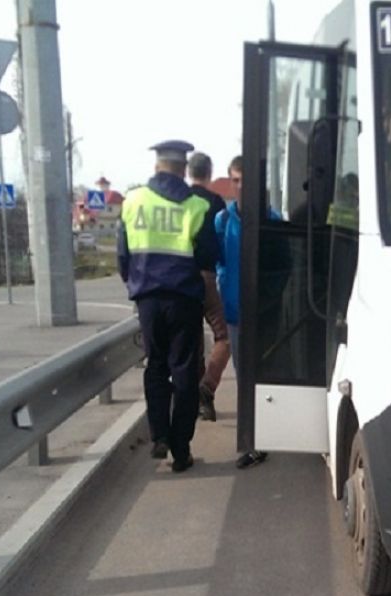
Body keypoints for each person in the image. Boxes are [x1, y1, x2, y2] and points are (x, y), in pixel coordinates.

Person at [118, 140, 218, 473]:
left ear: (158, 165)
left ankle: (159, 435)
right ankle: (181, 448)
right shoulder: (196, 206)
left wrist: (136, 283)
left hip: (148, 300)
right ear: (183, 168)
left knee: (156, 366)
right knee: (185, 371)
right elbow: (207, 258)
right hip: (184, 300)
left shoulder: (133, 201)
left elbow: (123, 255)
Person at [214, 156, 277, 470]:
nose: (241, 187)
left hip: (266, 313)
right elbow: (217, 262)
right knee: (244, 378)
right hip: (236, 314)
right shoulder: (222, 221)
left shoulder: (274, 219)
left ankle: (265, 436)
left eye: (246, 180)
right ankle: (253, 442)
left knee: (264, 377)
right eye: (235, 180)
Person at [186, 151, 231, 422]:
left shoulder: (179, 200)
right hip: (206, 277)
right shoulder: (215, 202)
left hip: (179, 279)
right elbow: (220, 241)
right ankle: (206, 389)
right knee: (223, 337)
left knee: (191, 341)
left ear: (190, 172)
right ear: (209, 173)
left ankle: (194, 400)